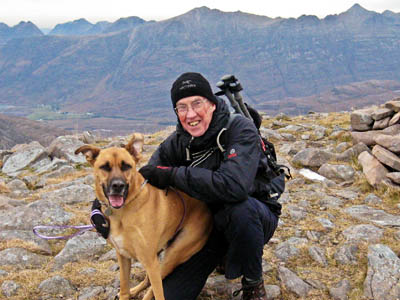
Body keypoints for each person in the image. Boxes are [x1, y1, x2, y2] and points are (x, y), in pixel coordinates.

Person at [92, 72, 281, 300]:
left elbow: (234, 187)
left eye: (197, 103)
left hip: (253, 219)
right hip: (203, 227)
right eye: (182, 107)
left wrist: (173, 174)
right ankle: (218, 259)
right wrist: (104, 207)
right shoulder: (178, 142)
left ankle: (253, 284)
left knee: (239, 210)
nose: (190, 114)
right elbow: (142, 181)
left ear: (212, 104)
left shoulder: (239, 129)